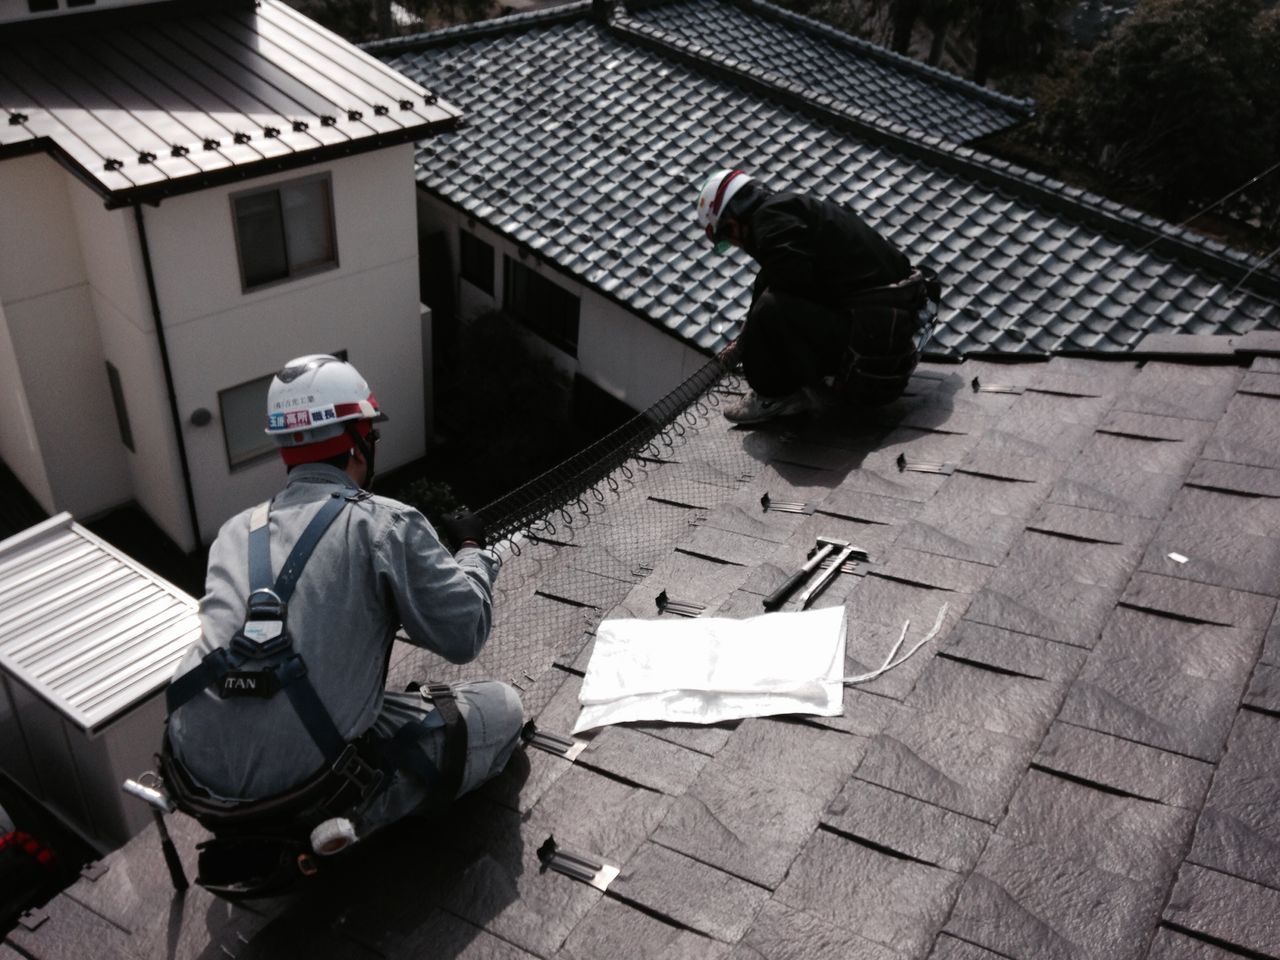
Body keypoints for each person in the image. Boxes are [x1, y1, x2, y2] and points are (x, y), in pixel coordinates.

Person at [162, 354, 523, 895]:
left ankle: (267, 827)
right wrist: (472, 551)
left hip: (197, 769)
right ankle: (326, 830)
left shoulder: (235, 532)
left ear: (285, 445)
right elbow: (464, 632)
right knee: (504, 707)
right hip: (305, 786)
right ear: (358, 438)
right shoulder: (383, 523)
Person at [696, 169, 940, 424]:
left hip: (869, 347)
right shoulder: (792, 208)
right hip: (890, 333)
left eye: (725, 237)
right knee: (768, 290)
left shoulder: (769, 222)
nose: (734, 245)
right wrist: (743, 340)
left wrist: (750, 343)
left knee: (769, 311)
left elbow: (791, 281)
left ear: (732, 222)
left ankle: (773, 396)